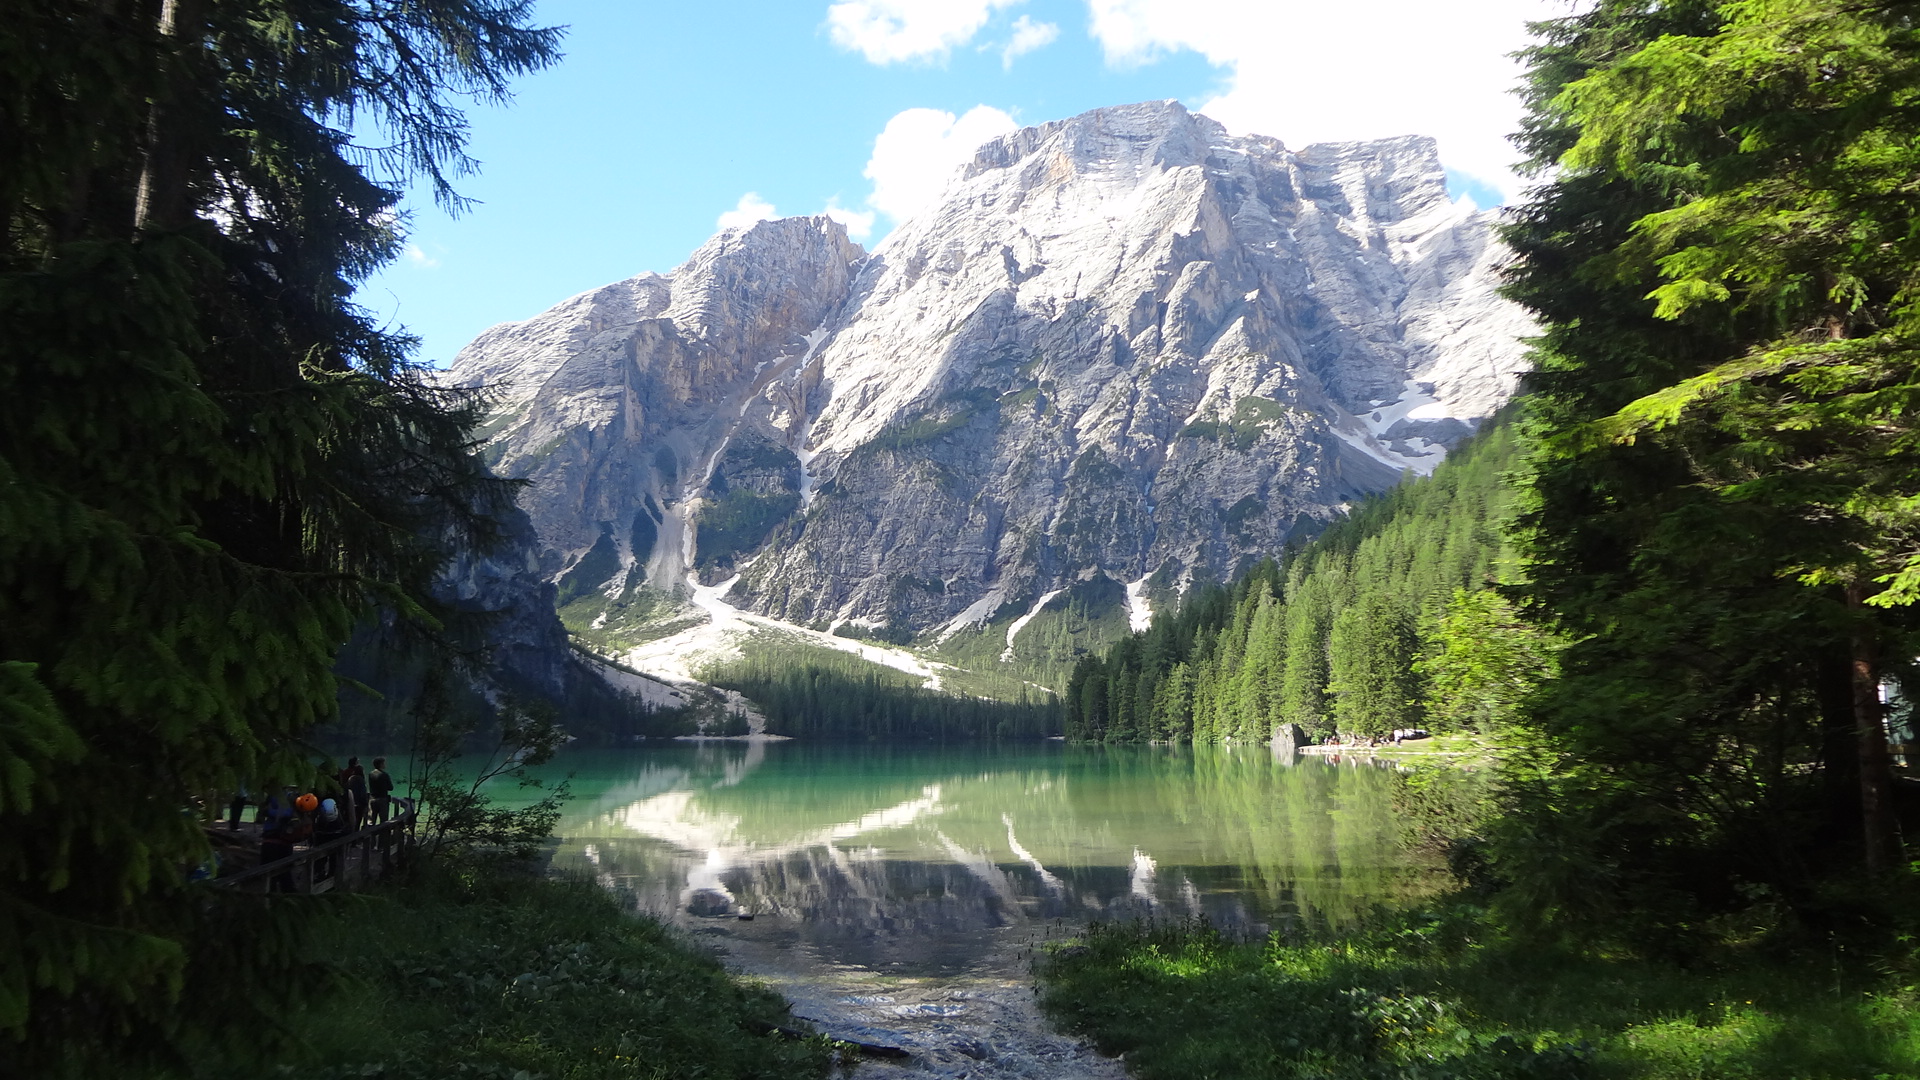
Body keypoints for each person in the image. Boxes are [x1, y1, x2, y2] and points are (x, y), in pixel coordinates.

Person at [368, 757, 395, 825]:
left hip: (372, 799)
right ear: (380, 764)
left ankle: (370, 834)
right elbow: (390, 788)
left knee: (372, 820)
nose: (385, 765)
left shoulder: (371, 774)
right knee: (383, 821)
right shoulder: (384, 775)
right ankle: (382, 835)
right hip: (382, 799)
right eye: (383, 763)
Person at [345, 758, 369, 830]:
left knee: (350, 821)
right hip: (359, 803)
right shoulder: (360, 780)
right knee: (358, 821)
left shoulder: (351, 778)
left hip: (350, 802)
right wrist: (365, 804)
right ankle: (357, 836)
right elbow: (362, 792)